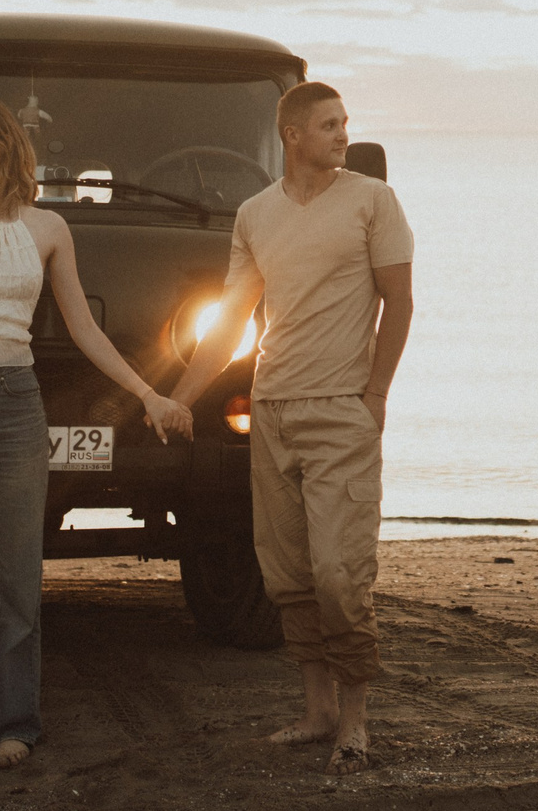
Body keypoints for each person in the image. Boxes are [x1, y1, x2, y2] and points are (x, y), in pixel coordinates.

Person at [0, 96, 185, 773]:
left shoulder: (49, 227)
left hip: (14, 402)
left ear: (3, 144)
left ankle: (15, 722)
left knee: (20, 573)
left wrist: (147, 392)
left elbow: (83, 328)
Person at [164, 80, 414, 774]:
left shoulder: (372, 200)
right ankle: (317, 710)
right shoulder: (255, 214)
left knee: (341, 574)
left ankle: (356, 720)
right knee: (290, 576)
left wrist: (375, 395)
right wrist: (181, 394)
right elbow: (232, 320)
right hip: (272, 408)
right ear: (293, 136)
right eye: (330, 125)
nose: (344, 134)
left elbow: (400, 301)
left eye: (344, 123)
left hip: (342, 410)